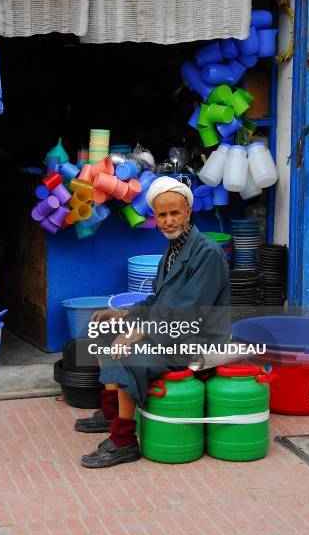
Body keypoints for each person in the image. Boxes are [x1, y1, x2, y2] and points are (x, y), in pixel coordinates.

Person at [74, 176, 230, 468]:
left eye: (175, 213)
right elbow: (157, 301)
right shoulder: (172, 252)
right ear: (155, 218)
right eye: (162, 215)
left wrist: (138, 332)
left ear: (188, 213)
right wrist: (124, 316)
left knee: (126, 353)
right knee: (100, 332)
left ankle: (123, 441)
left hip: (196, 339)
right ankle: (111, 414)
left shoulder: (207, 253)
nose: (169, 221)